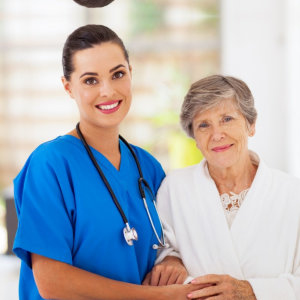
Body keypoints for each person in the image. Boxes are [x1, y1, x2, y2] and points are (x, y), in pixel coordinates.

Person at [12, 24, 203, 300]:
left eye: (118, 74)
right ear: (68, 87)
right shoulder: (50, 165)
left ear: (130, 74)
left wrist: (173, 261)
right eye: (90, 80)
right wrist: (160, 297)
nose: (108, 91)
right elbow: (53, 282)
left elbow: (172, 244)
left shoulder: (147, 167)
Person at [147, 75, 300, 299]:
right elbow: (161, 252)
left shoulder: (292, 193)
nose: (217, 135)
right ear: (194, 137)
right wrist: (171, 260)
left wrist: (251, 291)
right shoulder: (174, 189)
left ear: (251, 124)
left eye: (227, 119)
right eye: (204, 125)